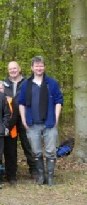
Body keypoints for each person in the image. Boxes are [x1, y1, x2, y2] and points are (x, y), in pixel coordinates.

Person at [18, 56, 63, 186]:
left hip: (49, 122)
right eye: (36, 66)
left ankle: (50, 177)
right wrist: (23, 119)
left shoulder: (52, 83)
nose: (39, 68)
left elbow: (59, 101)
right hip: (32, 123)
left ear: (44, 67)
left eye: (41, 65)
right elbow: (21, 103)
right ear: (32, 67)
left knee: (50, 151)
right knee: (36, 151)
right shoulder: (27, 84)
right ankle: (41, 176)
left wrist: (56, 118)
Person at [4, 61, 37, 180]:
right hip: (10, 119)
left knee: (28, 145)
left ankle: (34, 170)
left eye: (15, 68)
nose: (13, 71)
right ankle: (11, 174)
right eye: (10, 69)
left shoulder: (28, 82)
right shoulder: (3, 84)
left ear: (19, 69)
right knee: (10, 148)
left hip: (25, 118)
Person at [0, 80, 19, 185]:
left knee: (11, 154)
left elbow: (14, 116)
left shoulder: (10, 100)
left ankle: (12, 176)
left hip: (10, 132)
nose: (0, 90)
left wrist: (7, 128)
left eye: (1, 88)